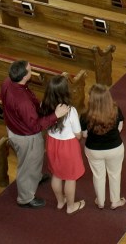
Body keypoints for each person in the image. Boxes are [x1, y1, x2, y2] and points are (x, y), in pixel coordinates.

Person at [1, 60, 69, 209]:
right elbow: (35, 126)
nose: (32, 71)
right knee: (27, 165)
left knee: (34, 161)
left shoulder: (8, 82)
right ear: (24, 76)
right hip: (27, 137)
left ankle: (36, 177)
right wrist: (56, 115)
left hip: (14, 127)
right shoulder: (23, 102)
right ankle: (25, 198)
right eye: (30, 70)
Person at [38, 75, 86, 215]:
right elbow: (78, 134)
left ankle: (60, 202)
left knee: (57, 174)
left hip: (52, 143)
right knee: (70, 178)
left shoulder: (43, 105)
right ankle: (71, 206)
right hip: (68, 146)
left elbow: (45, 123)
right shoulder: (70, 111)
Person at [81, 84, 126, 210]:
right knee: (115, 174)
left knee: (98, 175)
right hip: (115, 148)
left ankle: (100, 201)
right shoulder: (116, 110)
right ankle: (115, 201)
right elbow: (120, 127)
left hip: (93, 150)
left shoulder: (85, 114)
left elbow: (84, 134)